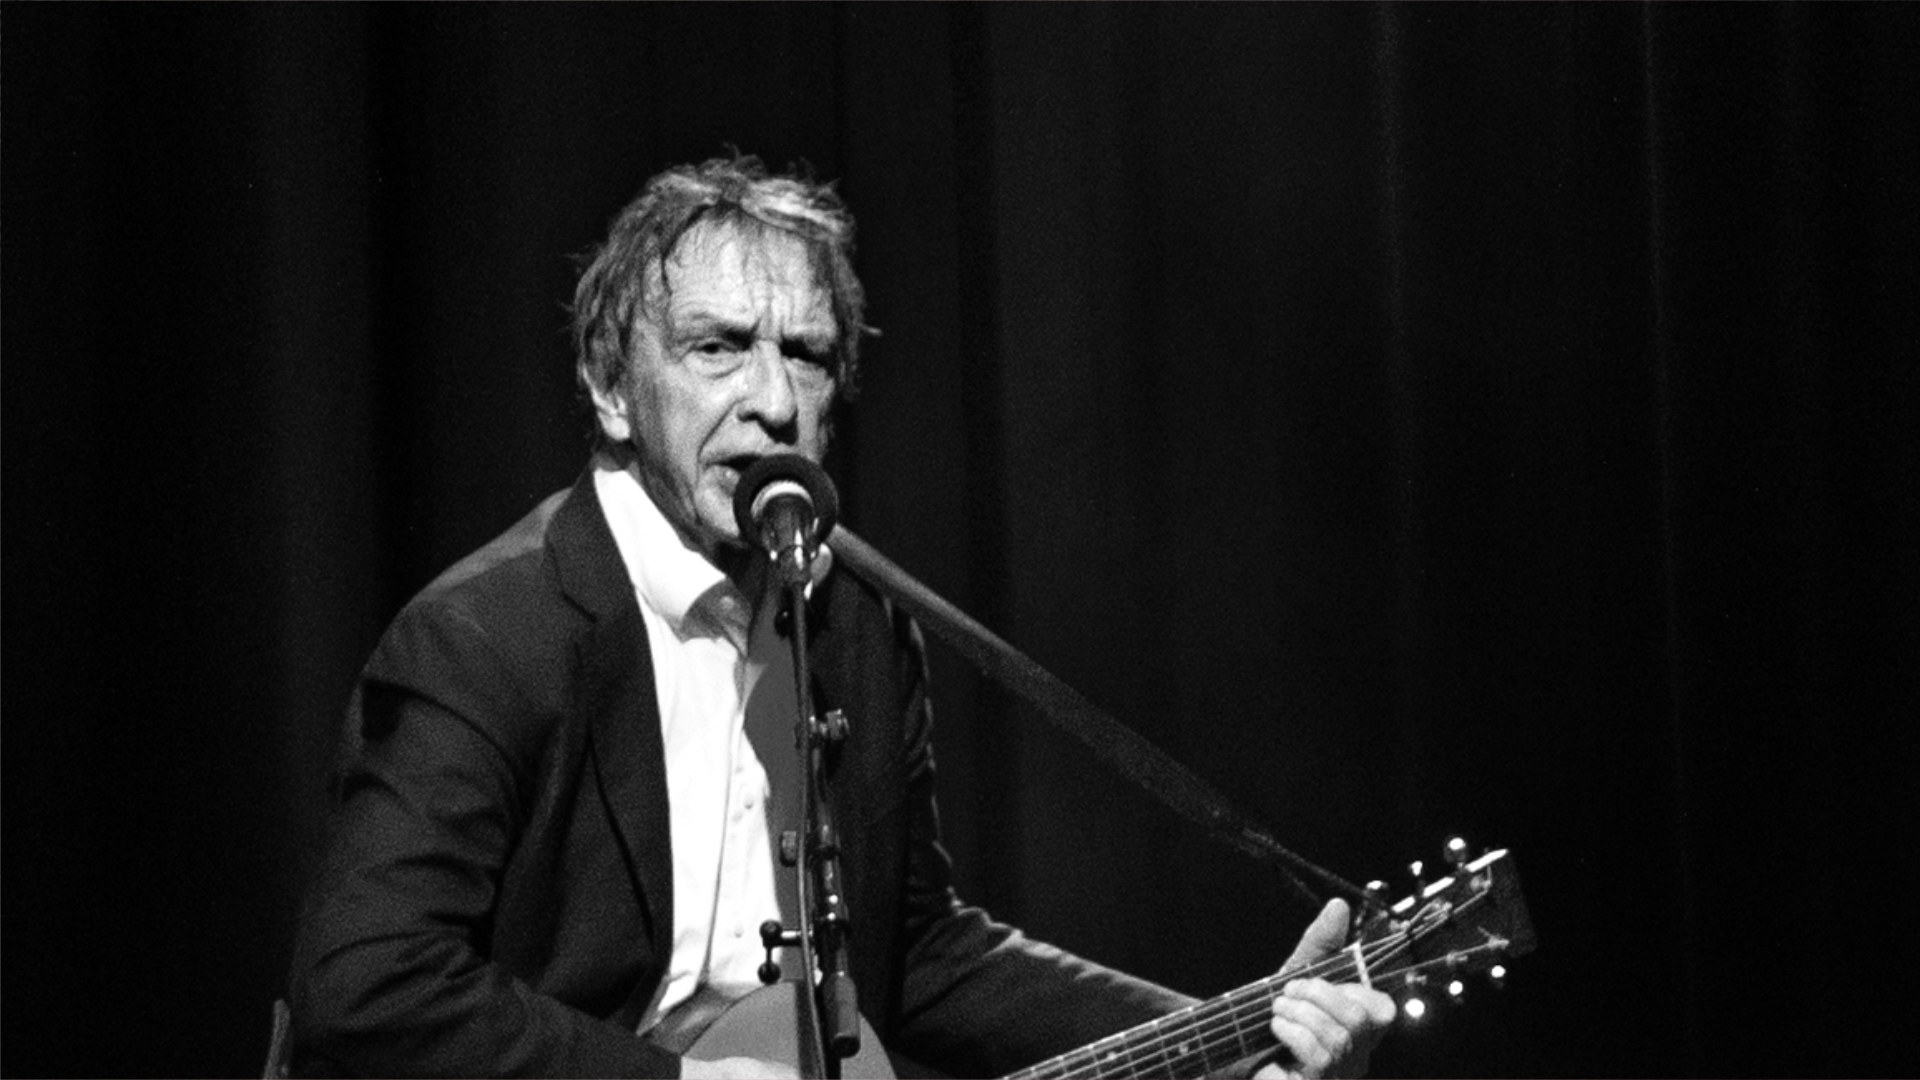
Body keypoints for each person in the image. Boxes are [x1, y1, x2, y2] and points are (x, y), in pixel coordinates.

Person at [285, 156, 1394, 1079]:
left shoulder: (854, 622)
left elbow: (916, 954)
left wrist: (1226, 1035)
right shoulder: (486, 636)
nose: (774, 402)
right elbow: (366, 983)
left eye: (807, 356)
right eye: (718, 347)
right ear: (612, 388)